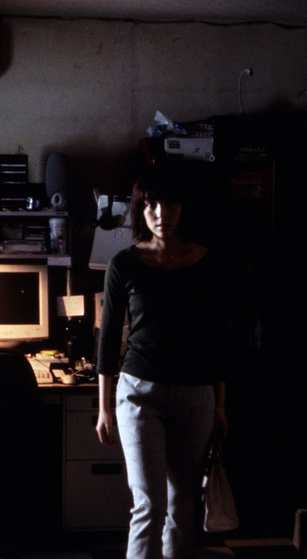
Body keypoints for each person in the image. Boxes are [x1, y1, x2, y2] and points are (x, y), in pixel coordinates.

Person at [95, 161, 229, 559]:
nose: (160, 214)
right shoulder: (124, 264)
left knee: (182, 506)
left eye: (169, 204)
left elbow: (218, 341)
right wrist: (104, 408)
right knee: (149, 505)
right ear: (141, 209)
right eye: (151, 204)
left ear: (182, 208)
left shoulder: (208, 263)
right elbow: (108, 340)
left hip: (196, 395)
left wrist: (220, 405)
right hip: (140, 393)